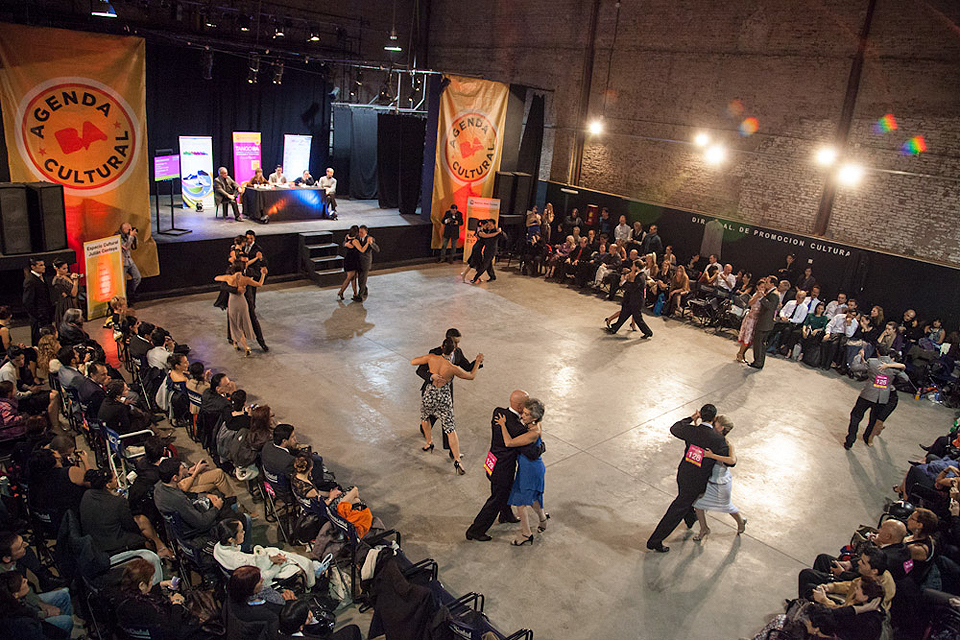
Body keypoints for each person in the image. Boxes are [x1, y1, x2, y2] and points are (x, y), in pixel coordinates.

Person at [646, 404, 729, 553]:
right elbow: (728, 461)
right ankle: (655, 540)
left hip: (684, 473)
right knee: (678, 508)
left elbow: (675, 428)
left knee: (686, 499)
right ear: (715, 418)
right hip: (698, 480)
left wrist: (691, 418)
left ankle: (690, 518)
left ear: (700, 416)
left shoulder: (692, 430)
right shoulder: (717, 439)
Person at [410, 340, 484, 474]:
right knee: (450, 429)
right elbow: (471, 376)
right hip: (443, 398)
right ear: (453, 351)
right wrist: (478, 361)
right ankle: (457, 460)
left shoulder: (432, 357)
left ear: (441, 347)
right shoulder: (452, 368)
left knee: (425, 418)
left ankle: (429, 442)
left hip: (429, 394)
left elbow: (413, 362)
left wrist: (431, 375)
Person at [466, 390, 530, 541]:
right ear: (520, 407)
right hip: (503, 468)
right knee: (497, 498)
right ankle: (475, 530)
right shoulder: (518, 429)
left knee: (502, 492)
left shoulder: (498, 412)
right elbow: (531, 450)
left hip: (493, 461)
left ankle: (506, 515)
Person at [79, 469, 171, 574]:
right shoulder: (117, 503)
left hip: (95, 539)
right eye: (114, 478)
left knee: (143, 520)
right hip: (111, 546)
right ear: (108, 485)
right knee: (143, 533)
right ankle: (156, 560)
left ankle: (161, 548)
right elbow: (130, 526)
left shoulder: (87, 494)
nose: (116, 480)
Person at [114, 557, 211, 640]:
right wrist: (176, 604)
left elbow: (140, 596)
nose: (152, 582)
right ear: (142, 585)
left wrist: (159, 585)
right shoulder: (147, 609)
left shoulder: (121, 597)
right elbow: (172, 631)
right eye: (151, 580)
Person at [213, 518, 322, 589]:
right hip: (260, 581)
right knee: (300, 565)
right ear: (231, 539)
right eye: (241, 531)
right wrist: (276, 566)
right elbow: (261, 578)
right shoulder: (239, 561)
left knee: (279, 553)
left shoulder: (218, 548)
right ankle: (312, 579)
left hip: (256, 568)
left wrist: (270, 559)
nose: (244, 532)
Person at [497, 398, 548, 546]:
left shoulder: (533, 432)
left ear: (534, 418)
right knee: (532, 498)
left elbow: (509, 442)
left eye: (526, 414)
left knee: (520, 502)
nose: (522, 415)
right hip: (528, 468)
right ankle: (543, 519)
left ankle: (526, 534)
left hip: (530, 470)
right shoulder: (535, 424)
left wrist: (502, 425)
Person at [692, 416, 746, 540]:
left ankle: (740, 521)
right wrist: (696, 423)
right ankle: (704, 528)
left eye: (714, 424)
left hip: (721, 483)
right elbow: (700, 436)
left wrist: (712, 456)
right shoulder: (712, 439)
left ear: (721, 428)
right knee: (698, 505)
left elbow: (732, 460)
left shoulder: (727, 444)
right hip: (709, 480)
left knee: (727, 506)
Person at [845, 345, 909, 449]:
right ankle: (867, 437)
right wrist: (890, 384)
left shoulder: (872, 362)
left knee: (856, 416)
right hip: (882, 397)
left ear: (878, 352)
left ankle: (850, 440)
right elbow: (905, 379)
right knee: (873, 419)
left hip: (868, 394)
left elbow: (854, 368)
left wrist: (858, 356)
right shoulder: (892, 365)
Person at [0, 569, 73, 637]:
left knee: (63, 595)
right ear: (15, 594)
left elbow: (30, 598)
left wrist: (44, 605)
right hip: (35, 625)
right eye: (23, 582)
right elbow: (32, 620)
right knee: (67, 621)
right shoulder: (17, 618)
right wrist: (46, 613)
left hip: (31, 613)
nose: (27, 580)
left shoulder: (10, 596)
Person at [215, 264, 267, 357]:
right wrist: (262, 274)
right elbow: (259, 284)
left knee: (235, 324)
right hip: (242, 302)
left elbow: (216, 278)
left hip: (233, 302)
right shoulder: (246, 279)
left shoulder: (229, 278)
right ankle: (235, 343)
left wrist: (229, 281)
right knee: (242, 323)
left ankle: (246, 346)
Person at [605, 260, 653, 338]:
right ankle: (614, 328)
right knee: (624, 314)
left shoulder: (640, 277)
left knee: (637, 318)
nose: (632, 267)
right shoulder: (641, 275)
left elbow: (632, 288)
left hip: (636, 301)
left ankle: (648, 332)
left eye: (633, 265)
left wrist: (624, 282)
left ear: (637, 267)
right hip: (633, 300)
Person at [241, 230, 269, 352]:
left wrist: (261, 265)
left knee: (251, 304)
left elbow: (261, 262)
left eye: (251, 238)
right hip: (242, 285)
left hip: (252, 277)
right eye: (247, 238)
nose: (249, 240)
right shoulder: (241, 249)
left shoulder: (258, 249)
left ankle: (260, 342)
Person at [748, 277, 780, 370]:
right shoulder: (772, 293)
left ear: (772, 284)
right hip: (765, 321)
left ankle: (758, 362)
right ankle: (758, 361)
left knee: (759, 342)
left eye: (767, 282)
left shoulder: (774, 294)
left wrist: (762, 297)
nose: (765, 283)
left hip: (765, 322)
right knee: (761, 343)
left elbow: (770, 306)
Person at [22, 258, 52, 346]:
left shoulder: (41, 278)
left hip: (46, 315)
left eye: (43, 264)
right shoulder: (30, 281)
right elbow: (27, 302)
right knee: (39, 339)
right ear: (33, 267)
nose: (44, 267)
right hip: (38, 318)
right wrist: (38, 315)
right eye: (41, 265)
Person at [736, 287, 765, 363]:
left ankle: (743, 354)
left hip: (757, 319)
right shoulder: (756, 295)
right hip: (751, 318)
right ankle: (740, 353)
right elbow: (750, 303)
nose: (763, 288)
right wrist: (757, 297)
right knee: (747, 337)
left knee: (751, 339)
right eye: (761, 286)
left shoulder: (765, 296)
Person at [472, 219, 503, 284]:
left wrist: (501, 232)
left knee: (485, 265)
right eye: (488, 224)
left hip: (492, 251)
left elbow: (505, 237)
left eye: (490, 224)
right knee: (489, 265)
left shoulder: (496, 231)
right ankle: (492, 276)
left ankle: (475, 277)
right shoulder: (487, 231)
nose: (488, 225)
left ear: (494, 225)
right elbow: (482, 236)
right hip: (486, 250)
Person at [49, 260, 78, 328]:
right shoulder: (57, 281)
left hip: (73, 303)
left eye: (67, 268)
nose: (66, 270)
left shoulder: (68, 276)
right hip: (65, 305)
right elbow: (73, 294)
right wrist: (75, 282)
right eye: (64, 268)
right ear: (57, 269)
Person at [354, 225, 380, 301]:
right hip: (358, 261)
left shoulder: (370, 239)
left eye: (361, 232)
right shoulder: (357, 238)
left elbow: (377, 249)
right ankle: (365, 290)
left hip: (366, 262)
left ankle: (360, 296)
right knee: (360, 279)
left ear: (366, 232)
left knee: (363, 279)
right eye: (359, 232)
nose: (359, 234)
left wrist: (371, 243)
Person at [118, 223, 142, 304]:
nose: (130, 231)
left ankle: (131, 293)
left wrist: (134, 237)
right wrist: (131, 237)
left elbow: (134, 246)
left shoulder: (129, 236)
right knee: (123, 284)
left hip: (130, 261)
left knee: (137, 277)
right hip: (122, 263)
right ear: (124, 229)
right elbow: (126, 246)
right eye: (129, 229)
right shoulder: (118, 237)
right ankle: (125, 301)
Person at [337, 226, 361, 301]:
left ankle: (355, 293)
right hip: (352, 260)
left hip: (348, 259)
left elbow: (345, 244)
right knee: (350, 277)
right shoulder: (355, 241)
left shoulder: (347, 237)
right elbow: (360, 249)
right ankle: (341, 291)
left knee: (353, 278)